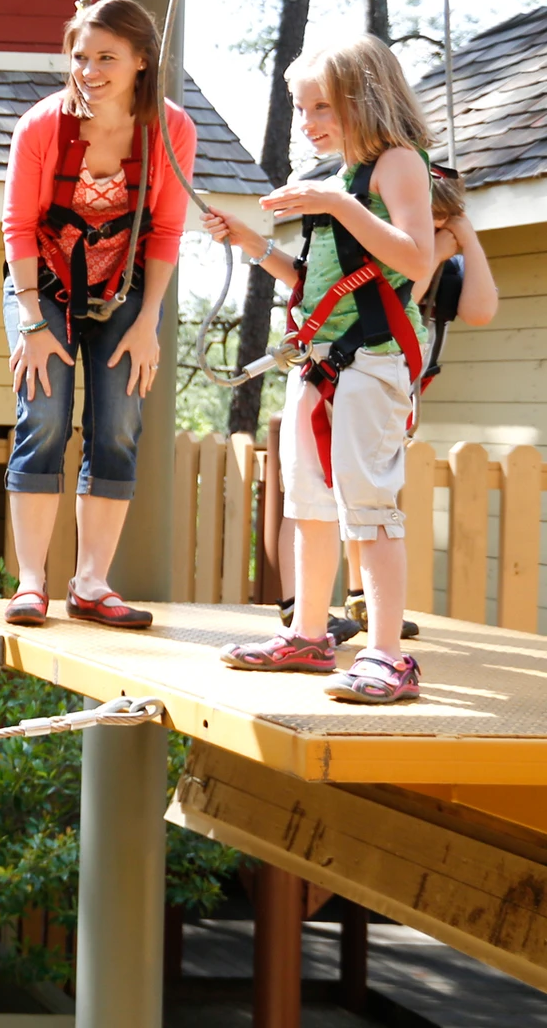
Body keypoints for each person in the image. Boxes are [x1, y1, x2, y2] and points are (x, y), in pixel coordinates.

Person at [207, 36, 435, 703]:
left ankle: (389, 653)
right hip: (322, 359)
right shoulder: (338, 184)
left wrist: (336, 205)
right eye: (301, 108)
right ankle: (309, 632)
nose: (308, 122)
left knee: (368, 502)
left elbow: (416, 260)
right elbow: (318, 279)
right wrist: (255, 248)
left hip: (374, 356)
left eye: (320, 107)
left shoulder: (396, 167)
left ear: (365, 101)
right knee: (309, 503)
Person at [0, 0, 197, 631]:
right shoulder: (41, 127)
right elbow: (19, 226)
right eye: (81, 57)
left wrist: (148, 322)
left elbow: (166, 230)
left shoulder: (170, 129)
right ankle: (32, 584)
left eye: (107, 58)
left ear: (141, 61)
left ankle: (91, 583)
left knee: (117, 425)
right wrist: (31, 322)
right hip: (43, 286)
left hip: (126, 288)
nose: (89, 70)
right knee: (46, 414)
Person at [282, 164, 500, 643]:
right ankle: (312, 603)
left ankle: (363, 595)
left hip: (394, 384)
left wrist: (463, 235)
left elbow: (481, 309)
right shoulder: (380, 252)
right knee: (326, 488)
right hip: (353, 365)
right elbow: (406, 285)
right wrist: (437, 247)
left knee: (369, 493)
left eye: (437, 223)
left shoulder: (448, 262)